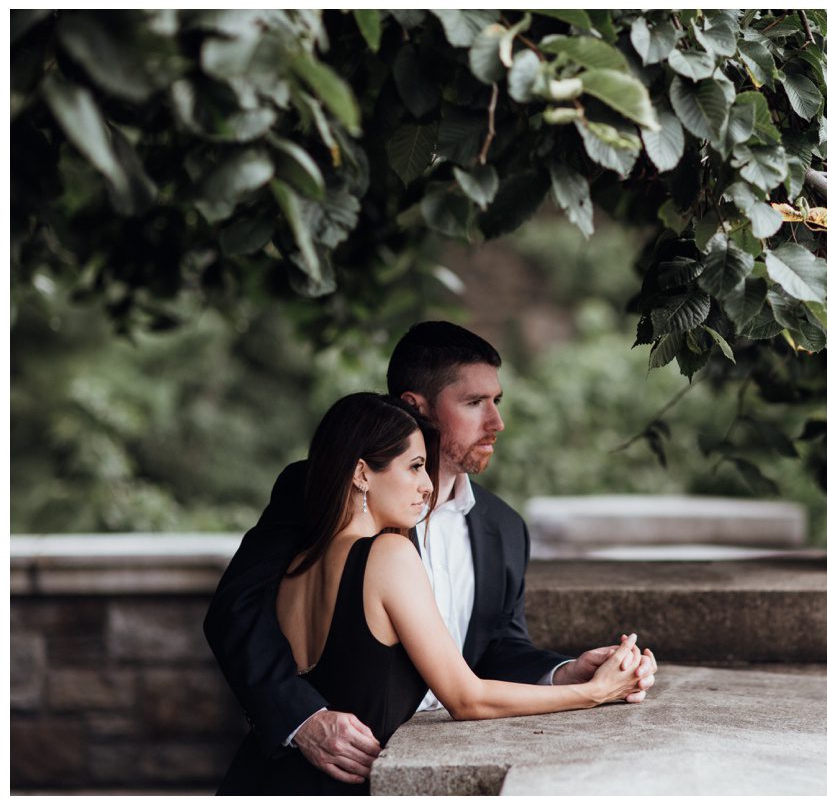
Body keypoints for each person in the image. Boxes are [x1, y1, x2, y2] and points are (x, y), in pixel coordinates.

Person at [205, 322, 657, 791]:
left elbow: (498, 646)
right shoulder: (319, 493)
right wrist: (303, 719)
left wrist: (566, 674)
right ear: (415, 406)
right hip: (344, 773)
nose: (496, 422)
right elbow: (236, 609)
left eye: (497, 401)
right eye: (474, 402)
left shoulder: (504, 528)